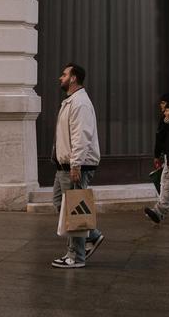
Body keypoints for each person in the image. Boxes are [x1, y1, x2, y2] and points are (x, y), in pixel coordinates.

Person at [51, 63, 104, 269]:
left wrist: (76, 165)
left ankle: (76, 256)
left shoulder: (80, 103)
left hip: (75, 166)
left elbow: (81, 135)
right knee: (61, 204)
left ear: (73, 78)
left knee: (73, 209)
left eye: (64, 74)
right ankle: (91, 234)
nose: (60, 77)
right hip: (64, 165)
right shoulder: (71, 101)